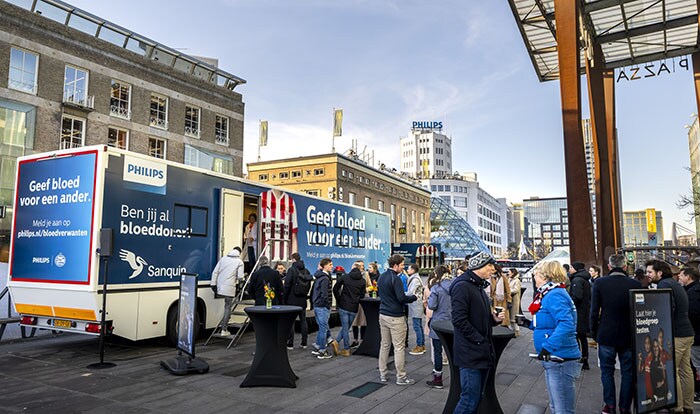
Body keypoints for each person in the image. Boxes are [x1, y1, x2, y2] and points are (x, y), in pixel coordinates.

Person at [451, 251, 504, 413]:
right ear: (477, 266)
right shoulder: (462, 287)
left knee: (476, 398)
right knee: (469, 400)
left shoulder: (478, 286)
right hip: (470, 353)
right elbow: (459, 320)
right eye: (489, 265)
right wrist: (479, 339)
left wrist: (493, 320)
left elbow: (478, 318)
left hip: (480, 351)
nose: (492, 269)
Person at [591, 254, 642, 414]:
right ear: (625, 267)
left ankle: (610, 405)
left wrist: (594, 332)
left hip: (606, 333)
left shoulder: (600, 283)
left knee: (607, 371)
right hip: (628, 334)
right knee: (628, 372)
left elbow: (594, 311)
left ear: (609, 266)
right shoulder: (635, 284)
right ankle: (625, 407)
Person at [531, 260, 582, 414]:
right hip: (555, 357)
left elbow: (566, 324)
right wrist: (528, 323)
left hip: (559, 357)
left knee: (562, 409)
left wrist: (548, 347)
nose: (534, 278)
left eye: (536, 275)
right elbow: (550, 322)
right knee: (557, 406)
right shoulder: (551, 293)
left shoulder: (554, 295)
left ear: (546, 276)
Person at [646, 259, 695, 414]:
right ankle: (688, 406)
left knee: (671, 370)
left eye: (650, 272)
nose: (648, 275)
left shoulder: (664, 285)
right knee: (685, 370)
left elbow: (668, 308)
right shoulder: (674, 283)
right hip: (687, 332)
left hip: (676, 334)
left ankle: (677, 407)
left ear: (659, 273)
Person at [377, 254, 418, 385]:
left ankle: (383, 374)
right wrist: (414, 297)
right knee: (399, 347)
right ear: (395, 265)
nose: (403, 267)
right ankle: (401, 377)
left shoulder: (382, 277)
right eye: (401, 265)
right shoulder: (396, 279)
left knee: (384, 345)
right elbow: (401, 298)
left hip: (383, 315)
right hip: (395, 317)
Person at [424, 263, 454, 389]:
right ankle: (457, 377)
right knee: (453, 351)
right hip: (453, 322)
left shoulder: (436, 287)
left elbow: (432, 306)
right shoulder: (456, 285)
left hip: (439, 323)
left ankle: (438, 379)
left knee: (437, 351)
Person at [333, 261, 367, 356]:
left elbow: (335, 288)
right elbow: (362, 295)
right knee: (346, 327)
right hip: (354, 307)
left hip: (344, 305)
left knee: (345, 327)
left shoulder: (345, 277)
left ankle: (346, 348)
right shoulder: (362, 281)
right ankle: (336, 342)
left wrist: (339, 299)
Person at [210, 247, 244, 336]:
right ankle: (224, 329)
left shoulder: (223, 259)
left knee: (226, 306)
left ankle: (223, 324)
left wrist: (213, 284)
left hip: (219, 287)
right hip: (229, 288)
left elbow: (215, 272)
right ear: (239, 253)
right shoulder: (239, 262)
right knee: (228, 307)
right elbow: (240, 277)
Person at [283, 252, 313, 349]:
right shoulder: (306, 271)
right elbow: (309, 285)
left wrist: (284, 298)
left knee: (291, 322)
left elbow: (287, 285)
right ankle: (304, 343)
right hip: (303, 300)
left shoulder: (291, 270)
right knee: (303, 321)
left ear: (293, 259)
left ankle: (290, 343)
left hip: (292, 299)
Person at [680, 267, 700, 404]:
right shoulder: (693, 290)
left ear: (689, 277)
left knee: (696, 365)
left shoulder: (692, 293)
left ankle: (697, 392)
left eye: (681, 275)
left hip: (696, 335)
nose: (679, 278)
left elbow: (692, 314)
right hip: (696, 334)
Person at [569, 261, 591, 370]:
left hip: (578, 312)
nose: (570, 269)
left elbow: (577, 296)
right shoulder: (584, 279)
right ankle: (585, 358)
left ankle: (579, 358)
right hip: (584, 311)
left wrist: (569, 303)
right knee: (583, 337)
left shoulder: (577, 280)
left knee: (577, 336)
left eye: (571, 267)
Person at [312, 258, 334, 359]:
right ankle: (322, 350)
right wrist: (328, 305)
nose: (332, 266)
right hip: (322, 306)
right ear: (324, 266)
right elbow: (324, 294)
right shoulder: (325, 279)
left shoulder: (319, 277)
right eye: (330, 264)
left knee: (322, 327)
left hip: (317, 305)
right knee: (323, 329)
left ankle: (318, 345)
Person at [406, 263, 426, 356]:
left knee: (416, 326)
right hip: (416, 305)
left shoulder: (415, 280)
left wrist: (400, 293)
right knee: (419, 325)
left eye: (409, 269)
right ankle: (421, 344)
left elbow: (410, 292)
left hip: (416, 305)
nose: (407, 270)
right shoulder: (416, 278)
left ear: (413, 270)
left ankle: (420, 345)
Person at [507, 268, 522, 336]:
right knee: (510, 315)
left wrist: (508, 291)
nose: (508, 273)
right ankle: (513, 330)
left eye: (509, 272)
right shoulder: (509, 279)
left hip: (514, 300)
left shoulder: (517, 280)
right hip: (510, 299)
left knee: (514, 316)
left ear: (513, 273)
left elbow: (516, 290)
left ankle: (516, 331)